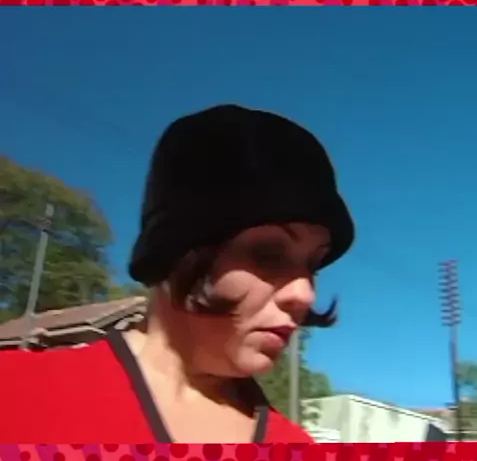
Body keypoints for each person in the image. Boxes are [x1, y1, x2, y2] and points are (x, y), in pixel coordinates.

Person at [0, 105, 354, 443]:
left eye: (313, 264)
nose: (305, 294)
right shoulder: (18, 397)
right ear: (176, 251)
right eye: (268, 255)